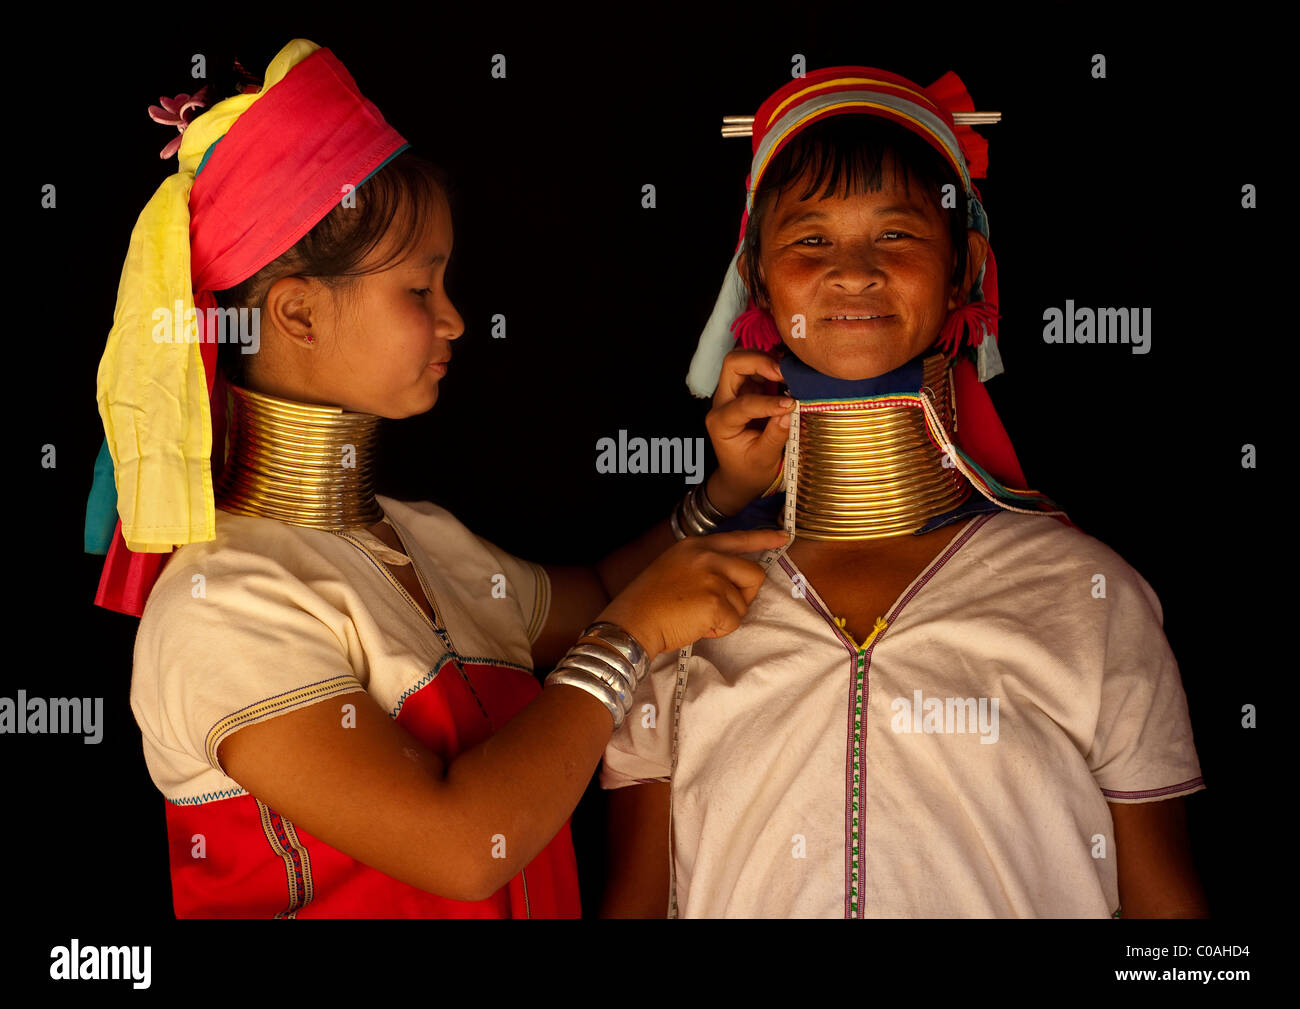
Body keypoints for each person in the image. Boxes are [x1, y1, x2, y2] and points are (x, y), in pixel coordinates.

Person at [85, 37, 790, 918]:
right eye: (421, 290)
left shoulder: (421, 538)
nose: (456, 318)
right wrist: (631, 639)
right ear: (297, 309)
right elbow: (464, 847)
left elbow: (606, 590)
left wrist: (720, 493)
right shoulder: (219, 603)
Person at [599, 66, 1209, 918]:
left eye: (896, 235)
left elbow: (1174, 931)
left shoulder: (1089, 596)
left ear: (965, 268)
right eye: (810, 240)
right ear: (756, 277)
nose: (854, 272)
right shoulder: (675, 609)